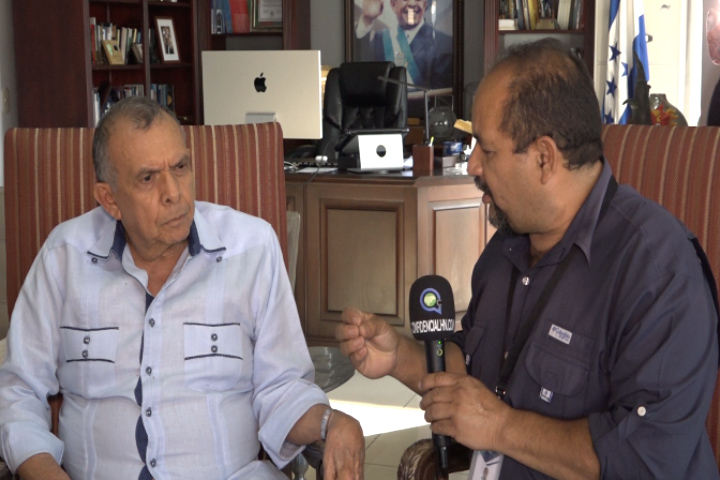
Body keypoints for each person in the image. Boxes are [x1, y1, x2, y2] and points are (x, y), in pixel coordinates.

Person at [337, 38, 720, 479]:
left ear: (543, 159)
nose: (473, 165)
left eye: (487, 149)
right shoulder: (508, 245)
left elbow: (644, 460)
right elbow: (477, 369)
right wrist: (399, 358)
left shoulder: (659, 273)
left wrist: (501, 427)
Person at [0, 96, 364, 480]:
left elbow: (283, 388)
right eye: (147, 178)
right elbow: (18, 390)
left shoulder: (252, 249)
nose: (173, 192)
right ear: (110, 199)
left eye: (180, 167)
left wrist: (331, 423)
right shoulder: (64, 257)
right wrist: (45, 471)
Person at [353, 0, 452, 90]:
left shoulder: (444, 43)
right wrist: (367, 19)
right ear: (393, 5)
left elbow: (440, 97)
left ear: (424, 4)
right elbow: (362, 72)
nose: (412, 3)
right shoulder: (380, 39)